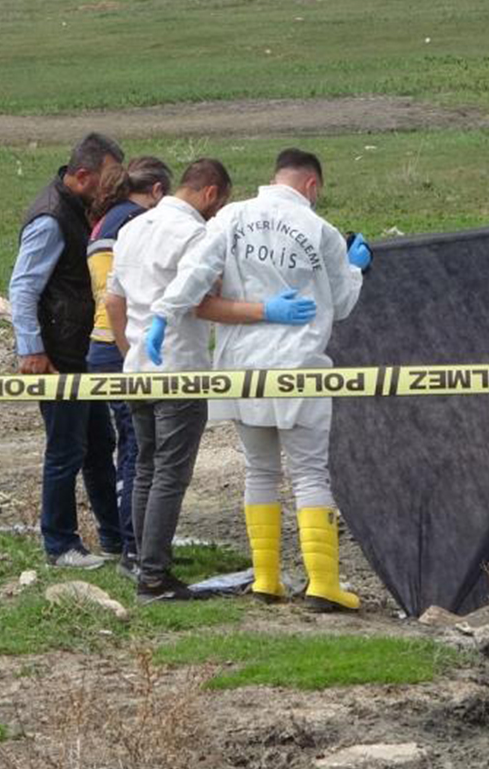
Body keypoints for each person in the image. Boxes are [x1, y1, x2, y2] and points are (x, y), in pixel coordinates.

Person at [147, 148, 371, 612]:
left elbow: (196, 273)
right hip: (297, 366)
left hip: (241, 366)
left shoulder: (232, 217)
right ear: (311, 186)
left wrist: (162, 316)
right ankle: (322, 583)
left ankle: (267, 577)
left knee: (260, 470)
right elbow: (344, 303)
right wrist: (356, 267)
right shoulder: (321, 231)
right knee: (310, 473)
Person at [105, 158, 319, 600]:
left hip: (137, 368)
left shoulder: (130, 229)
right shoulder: (194, 235)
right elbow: (203, 305)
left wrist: (133, 353)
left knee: (144, 465)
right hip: (181, 369)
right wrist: (266, 310)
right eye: (217, 203)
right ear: (210, 194)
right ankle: (154, 575)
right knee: (170, 473)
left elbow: (112, 302)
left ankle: (140, 558)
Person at [8, 133, 125, 569]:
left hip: (80, 353)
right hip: (59, 357)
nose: (113, 189)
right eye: (108, 181)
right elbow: (23, 288)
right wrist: (32, 350)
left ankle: (114, 537)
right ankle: (59, 545)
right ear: (82, 176)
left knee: (99, 444)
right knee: (66, 449)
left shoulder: (77, 209)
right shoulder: (52, 219)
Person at [86, 156, 173, 577]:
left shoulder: (107, 219)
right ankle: (135, 548)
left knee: (133, 450)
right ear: (156, 191)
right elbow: (119, 297)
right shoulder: (135, 223)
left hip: (101, 343)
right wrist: (130, 350)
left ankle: (134, 544)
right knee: (139, 453)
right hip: (118, 343)